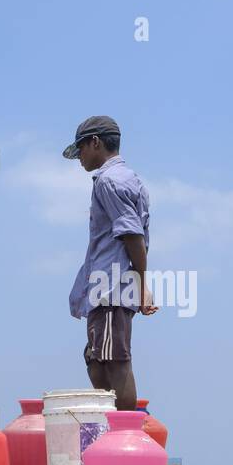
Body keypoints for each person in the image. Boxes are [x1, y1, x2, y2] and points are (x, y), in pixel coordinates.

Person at [63, 116, 156, 412]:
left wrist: (141, 286)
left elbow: (132, 234)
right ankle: (114, 425)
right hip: (108, 286)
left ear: (96, 143)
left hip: (111, 286)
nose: (79, 157)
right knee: (98, 359)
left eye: (81, 149)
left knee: (114, 361)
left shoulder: (109, 181)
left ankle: (125, 433)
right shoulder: (128, 178)